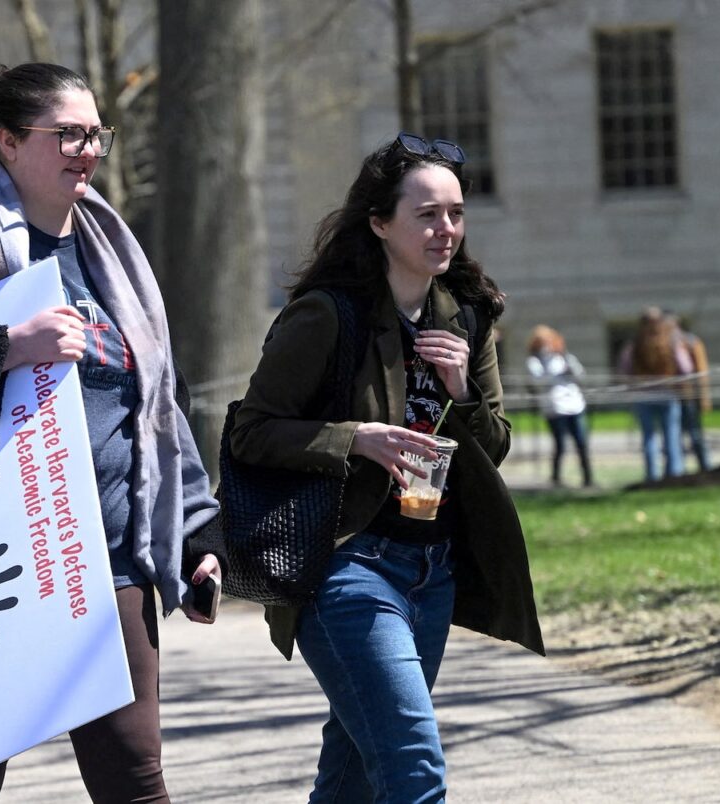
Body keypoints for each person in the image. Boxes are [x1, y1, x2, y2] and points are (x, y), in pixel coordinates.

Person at [0, 63, 223, 802]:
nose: (87, 150)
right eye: (68, 134)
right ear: (10, 141)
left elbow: (157, 402)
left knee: (135, 776)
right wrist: (7, 347)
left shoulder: (115, 253)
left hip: (110, 561)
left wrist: (194, 535)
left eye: (96, 134)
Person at [230, 133, 543, 801]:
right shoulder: (327, 316)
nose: (447, 229)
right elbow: (251, 431)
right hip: (346, 566)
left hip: (431, 572)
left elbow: (494, 447)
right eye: (427, 214)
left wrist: (461, 392)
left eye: (456, 212)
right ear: (379, 223)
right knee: (412, 766)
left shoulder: (467, 316)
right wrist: (354, 438)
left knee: (350, 776)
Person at [617, 307, 691, 482]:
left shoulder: (633, 346)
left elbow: (624, 371)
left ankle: (652, 475)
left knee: (648, 437)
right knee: (671, 435)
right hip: (668, 395)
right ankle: (674, 473)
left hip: (643, 397)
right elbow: (686, 368)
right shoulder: (672, 343)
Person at [525, 325, 593, 487]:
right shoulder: (534, 361)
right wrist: (555, 374)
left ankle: (588, 478)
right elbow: (537, 381)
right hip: (554, 407)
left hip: (575, 405)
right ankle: (556, 478)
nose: (547, 345)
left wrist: (569, 368)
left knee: (581, 443)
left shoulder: (564, 357)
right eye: (542, 342)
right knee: (560, 444)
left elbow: (580, 375)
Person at [671, 316, 712, 473]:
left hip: (689, 395)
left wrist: (704, 396)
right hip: (672, 396)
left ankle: (704, 466)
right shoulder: (662, 342)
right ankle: (678, 469)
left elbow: (700, 370)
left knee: (695, 434)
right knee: (675, 436)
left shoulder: (690, 342)